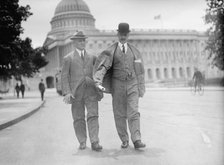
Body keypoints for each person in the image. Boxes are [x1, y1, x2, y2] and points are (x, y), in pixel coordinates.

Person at [93, 23, 146, 149]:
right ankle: (124, 139)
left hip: (132, 84)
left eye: (125, 34)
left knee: (133, 112)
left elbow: (140, 71)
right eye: (121, 34)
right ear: (117, 34)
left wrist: (141, 87)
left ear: (128, 35)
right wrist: (98, 81)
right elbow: (102, 67)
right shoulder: (111, 50)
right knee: (119, 113)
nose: (123, 36)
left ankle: (137, 139)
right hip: (118, 85)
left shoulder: (135, 51)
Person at [61, 31, 103, 152]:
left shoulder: (92, 57)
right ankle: (82, 141)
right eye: (79, 40)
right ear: (74, 43)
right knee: (78, 118)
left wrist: (99, 88)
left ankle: (95, 141)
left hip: (91, 92)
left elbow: (98, 74)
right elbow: (64, 77)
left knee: (93, 116)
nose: (82, 42)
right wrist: (67, 92)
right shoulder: (68, 58)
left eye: (83, 40)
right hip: (76, 93)